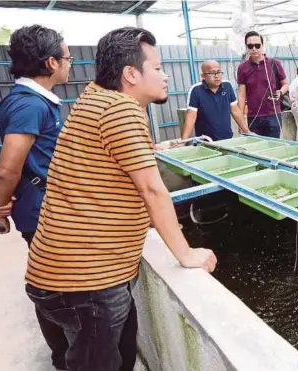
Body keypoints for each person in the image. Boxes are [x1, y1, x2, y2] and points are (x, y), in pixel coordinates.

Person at [24, 27, 217, 371]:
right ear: (131, 74)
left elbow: (106, 155)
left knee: (115, 357)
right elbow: (152, 190)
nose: (165, 75)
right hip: (86, 283)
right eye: (157, 67)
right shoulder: (121, 111)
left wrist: (151, 148)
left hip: (62, 274)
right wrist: (186, 253)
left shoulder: (96, 97)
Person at [0, 25, 73, 370]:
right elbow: (6, 169)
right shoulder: (30, 106)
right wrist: (0, 210)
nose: (70, 62)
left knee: (52, 281)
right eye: (66, 56)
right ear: (50, 63)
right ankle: (65, 357)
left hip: (40, 204)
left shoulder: (28, 100)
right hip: (43, 210)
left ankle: (65, 354)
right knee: (55, 287)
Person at [181, 60, 251, 141]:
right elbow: (191, 117)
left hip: (227, 139)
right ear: (203, 76)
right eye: (212, 73)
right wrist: (183, 141)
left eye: (219, 72)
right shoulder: (196, 90)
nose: (216, 76)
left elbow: (235, 111)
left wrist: (247, 131)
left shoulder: (227, 86)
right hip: (206, 142)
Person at [237, 31, 289, 138]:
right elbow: (241, 95)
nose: (254, 48)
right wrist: (240, 118)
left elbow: (286, 84)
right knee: (255, 148)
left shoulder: (274, 64)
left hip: (273, 115)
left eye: (257, 45)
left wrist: (280, 92)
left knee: (274, 147)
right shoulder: (243, 68)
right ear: (246, 47)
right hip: (253, 117)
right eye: (250, 46)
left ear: (262, 45)